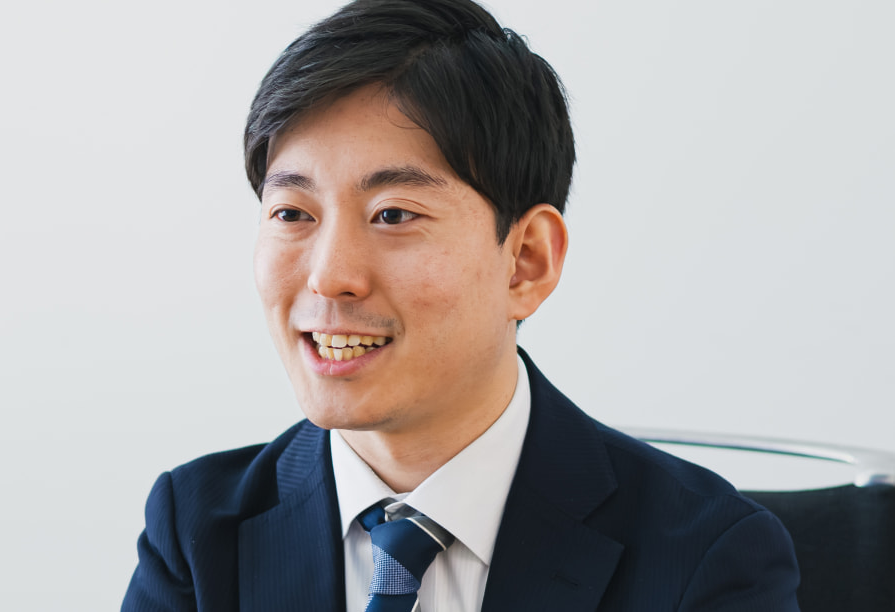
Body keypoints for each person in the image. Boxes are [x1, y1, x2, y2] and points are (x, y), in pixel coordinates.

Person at [122, 0, 801, 610]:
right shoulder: (196, 533)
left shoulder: (705, 558)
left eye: (393, 214)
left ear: (526, 260)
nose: (329, 278)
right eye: (293, 213)